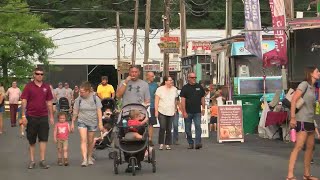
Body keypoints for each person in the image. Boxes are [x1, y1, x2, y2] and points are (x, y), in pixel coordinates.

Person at [287, 66, 320, 180]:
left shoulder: (313, 87)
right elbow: (294, 100)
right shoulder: (304, 84)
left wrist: (315, 126)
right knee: (299, 146)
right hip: (302, 120)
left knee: (311, 147)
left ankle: (307, 174)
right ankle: (290, 175)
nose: (319, 73)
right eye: (317, 71)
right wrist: (292, 118)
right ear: (311, 73)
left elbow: (311, 108)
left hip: (310, 121)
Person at [116, 66, 150, 171]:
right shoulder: (123, 82)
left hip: (139, 113)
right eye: (132, 72)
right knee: (124, 136)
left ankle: (138, 160)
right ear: (129, 73)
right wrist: (126, 82)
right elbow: (118, 95)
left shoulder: (144, 84)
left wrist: (144, 108)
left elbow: (147, 100)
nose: (133, 74)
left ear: (139, 73)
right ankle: (128, 160)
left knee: (142, 135)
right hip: (126, 112)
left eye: (135, 72)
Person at [20, 67, 54, 169]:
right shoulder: (28, 86)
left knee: (43, 139)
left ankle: (42, 160)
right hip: (31, 116)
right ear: (34, 74)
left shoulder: (46, 87)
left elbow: (49, 102)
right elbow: (24, 101)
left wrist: (51, 116)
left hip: (43, 116)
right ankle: (32, 161)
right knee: (32, 140)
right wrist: (23, 115)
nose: (39, 75)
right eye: (37, 74)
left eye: (41, 74)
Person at [71, 81, 103, 167]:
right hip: (82, 121)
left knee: (90, 141)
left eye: (82, 92)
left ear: (88, 91)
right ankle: (84, 159)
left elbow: (99, 111)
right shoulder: (79, 100)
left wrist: (100, 123)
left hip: (92, 121)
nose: (80, 93)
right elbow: (75, 111)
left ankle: (89, 157)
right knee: (83, 140)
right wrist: (72, 123)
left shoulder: (95, 98)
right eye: (80, 92)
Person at [180, 72, 205, 150]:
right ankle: (190, 143)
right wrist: (184, 111)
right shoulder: (185, 88)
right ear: (188, 78)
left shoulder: (199, 87)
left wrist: (203, 108)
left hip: (197, 111)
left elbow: (202, 97)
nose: (194, 79)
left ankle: (198, 143)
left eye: (195, 77)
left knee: (198, 126)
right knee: (187, 129)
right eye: (192, 78)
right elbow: (182, 100)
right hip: (188, 112)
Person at [155, 76, 178, 150]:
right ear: (165, 81)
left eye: (172, 80)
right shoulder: (160, 89)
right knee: (162, 127)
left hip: (171, 111)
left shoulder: (174, 89)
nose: (171, 82)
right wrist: (156, 111)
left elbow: (175, 100)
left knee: (169, 128)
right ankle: (161, 143)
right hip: (162, 110)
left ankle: (168, 144)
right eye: (170, 80)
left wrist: (175, 109)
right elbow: (156, 101)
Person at [146, 72, 158, 146]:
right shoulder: (143, 84)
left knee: (151, 123)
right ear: (147, 76)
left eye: (153, 76)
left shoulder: (155, 85)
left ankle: (150, 139)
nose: (153, 77)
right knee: (143, 123)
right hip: (143, 106)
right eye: (151, 76)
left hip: (152, 106)